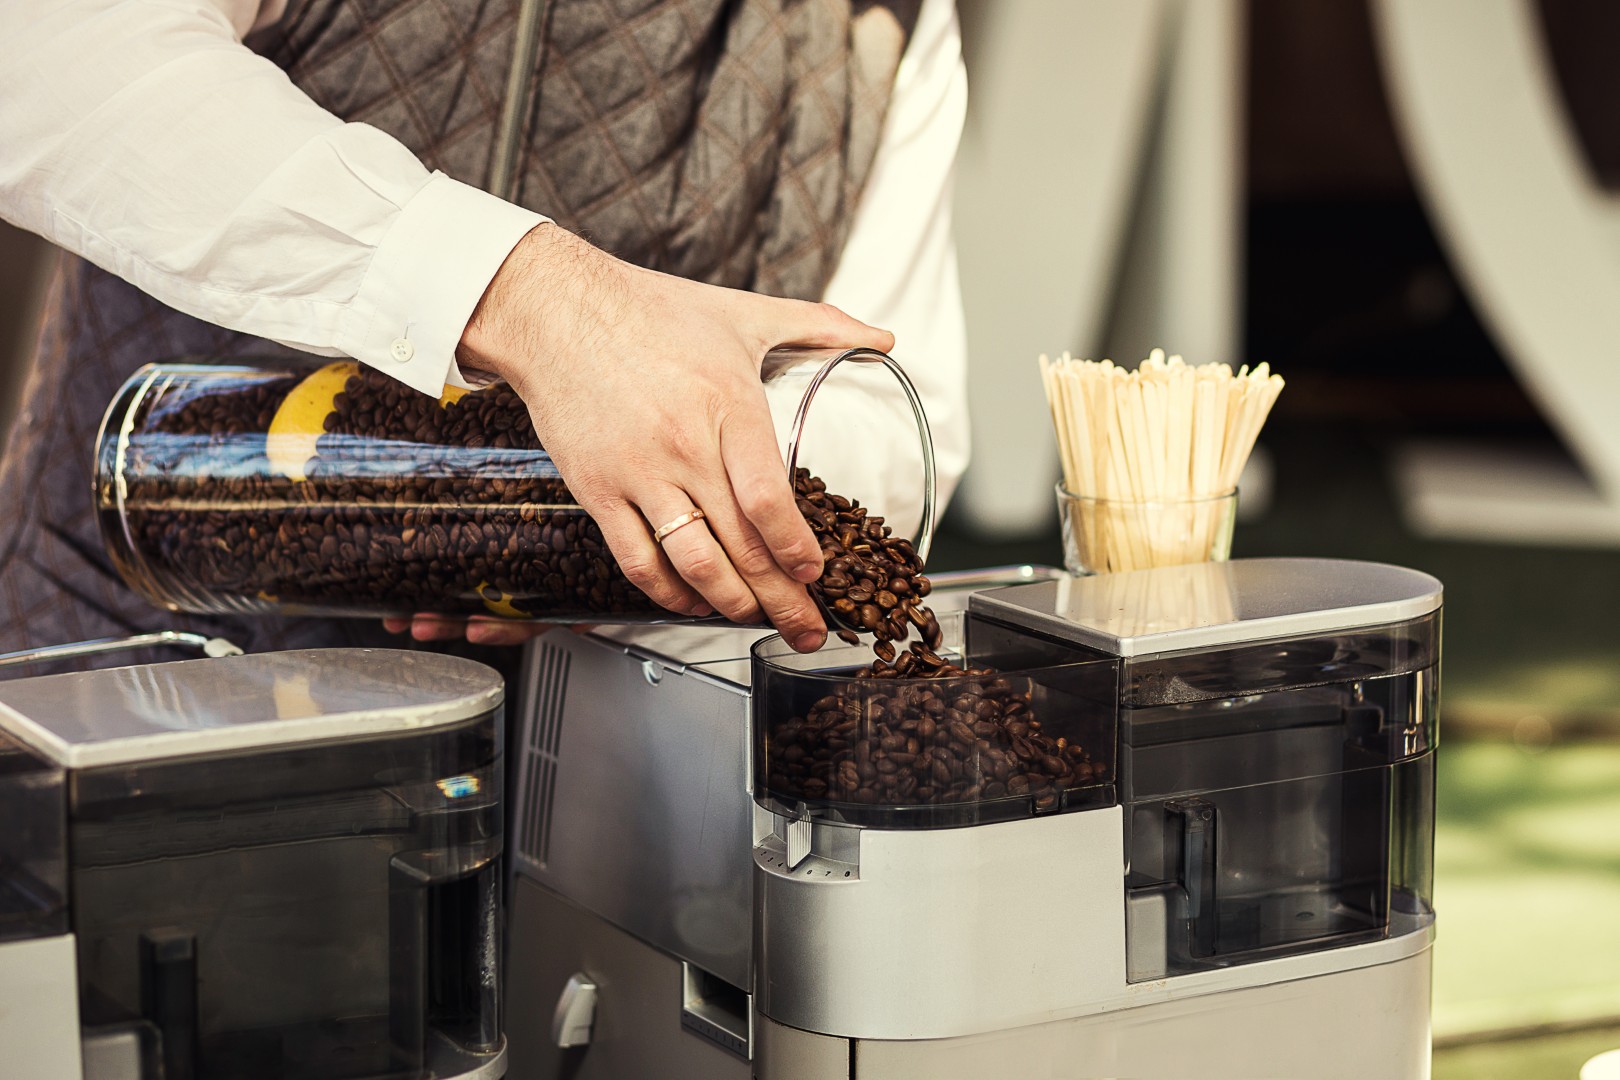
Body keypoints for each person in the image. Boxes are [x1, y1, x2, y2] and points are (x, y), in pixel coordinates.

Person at [0, 0, 970, 659]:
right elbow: (46, 55)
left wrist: (589, 547)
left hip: (581, 740)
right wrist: (524, 293)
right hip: (140, 634)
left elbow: (879, 407)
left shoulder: (881, 19)